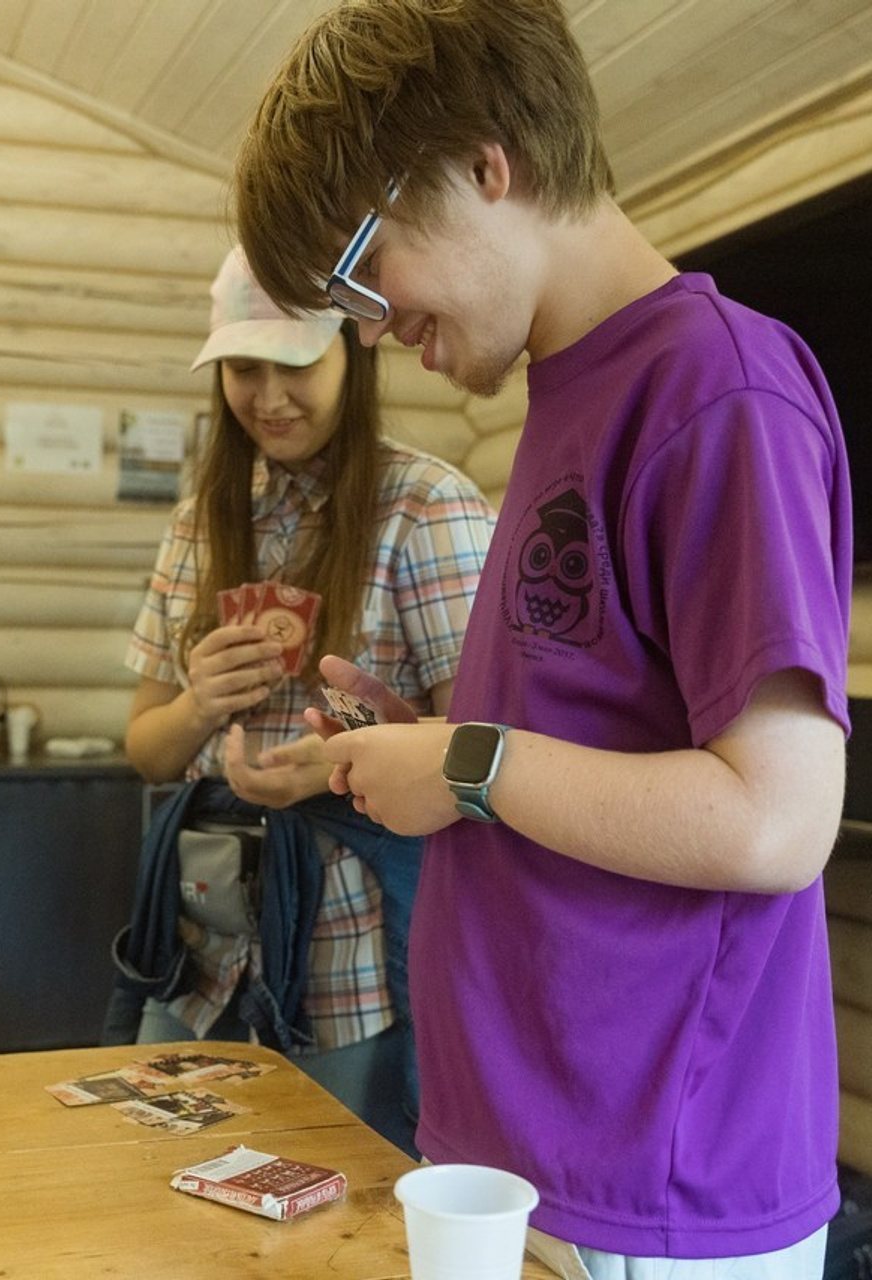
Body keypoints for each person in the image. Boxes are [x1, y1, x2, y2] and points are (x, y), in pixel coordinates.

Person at [233, 1, 851, 1276]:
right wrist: (427, 748)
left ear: (482, 164)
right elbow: (589, 742)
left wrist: (465, 762)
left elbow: (775, 820)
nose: (366, 326)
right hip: (535, 1152)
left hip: (655, 1183)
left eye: (362, 268)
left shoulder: (715, 388)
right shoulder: (569, 392)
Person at [109, 245, 494, 1153]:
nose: (270, 397)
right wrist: (200, 704)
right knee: (157, 1177)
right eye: (244, 368)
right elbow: (147, 750)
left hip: (354, 953)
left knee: (340, 1188)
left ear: (351, 355)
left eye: (295, 365)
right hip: (200, 945)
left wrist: (338, 760)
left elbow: (481, 742)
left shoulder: (425, 507)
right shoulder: (201, 520)